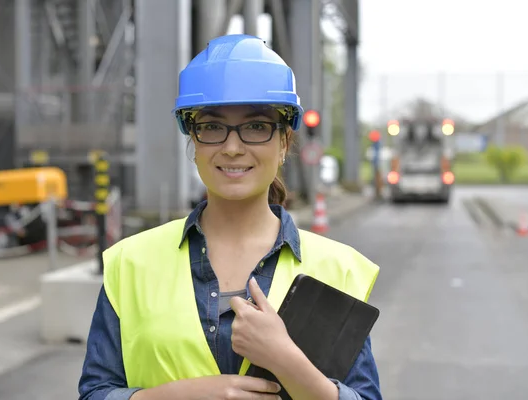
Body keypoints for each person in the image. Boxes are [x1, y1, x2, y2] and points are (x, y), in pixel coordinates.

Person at [79, 34, 382, 400]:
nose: (233, 147)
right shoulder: (131, 264)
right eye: (212, 126)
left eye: (256, 126)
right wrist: (176, 397)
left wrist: (287, 361)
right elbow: (95, 393)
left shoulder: (339, 270)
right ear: (193, 141)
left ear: (284, 143)